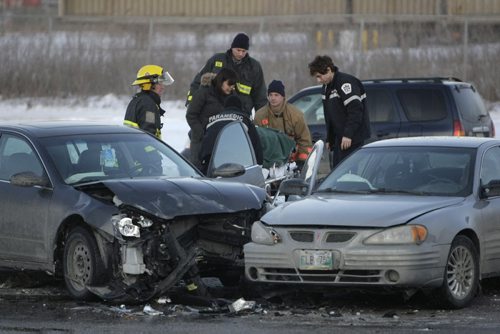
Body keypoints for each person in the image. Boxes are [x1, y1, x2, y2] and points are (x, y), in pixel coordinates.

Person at [308, 55, 370, 168]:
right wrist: (330, 139)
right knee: (337, 171)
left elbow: (355, 111)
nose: (318, 80)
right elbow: (330, 116)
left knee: (348, 172)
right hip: (339, 139)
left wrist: (348, 134)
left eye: (319, 76)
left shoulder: (345, 83)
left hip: (352, 138)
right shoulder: (326, 88)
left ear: (328, 70)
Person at [185, 32, 267, 116]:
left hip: (242, 114)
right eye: (238, 50)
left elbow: (260, 96)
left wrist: (262, 117)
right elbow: (197, 82)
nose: (240, 54)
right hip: (213, 112)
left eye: (244, 51)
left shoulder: (254, 67)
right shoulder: (216, 60)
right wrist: (191, 102)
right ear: (232, 48)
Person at [254, 80, 313, 170]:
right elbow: (256, 142)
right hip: (268, 163)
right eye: (270, 95)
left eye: (276, 95)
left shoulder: (295, 115)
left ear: (283, 97)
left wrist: (301, 162)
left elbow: (305, 141)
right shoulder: (260, 115)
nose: (273, 98)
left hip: (292, 162)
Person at [186, 68, 238, 169]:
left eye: (233, 85)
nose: (231, 88)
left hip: (222, 142)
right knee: (198, 171)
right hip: (201, 142)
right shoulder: (204, 92)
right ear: (221, 81)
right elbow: (191, 115)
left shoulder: (232, 96)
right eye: (229, 84)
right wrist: (200, 132)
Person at [199, 95, 263, 175]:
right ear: (240, 107)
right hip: (236, 163)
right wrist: (259, 166)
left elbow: (202, 141)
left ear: (225, 107)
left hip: (211, 163)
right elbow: (256, 144)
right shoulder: (245, 119)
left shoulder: (212, 119)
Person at [124, 64, 174, 139]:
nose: (163, 87)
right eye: (159, 83)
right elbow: (148, 136)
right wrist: (153, 150)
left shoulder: (138, 100)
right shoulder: (148, 105)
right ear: (149, 84)